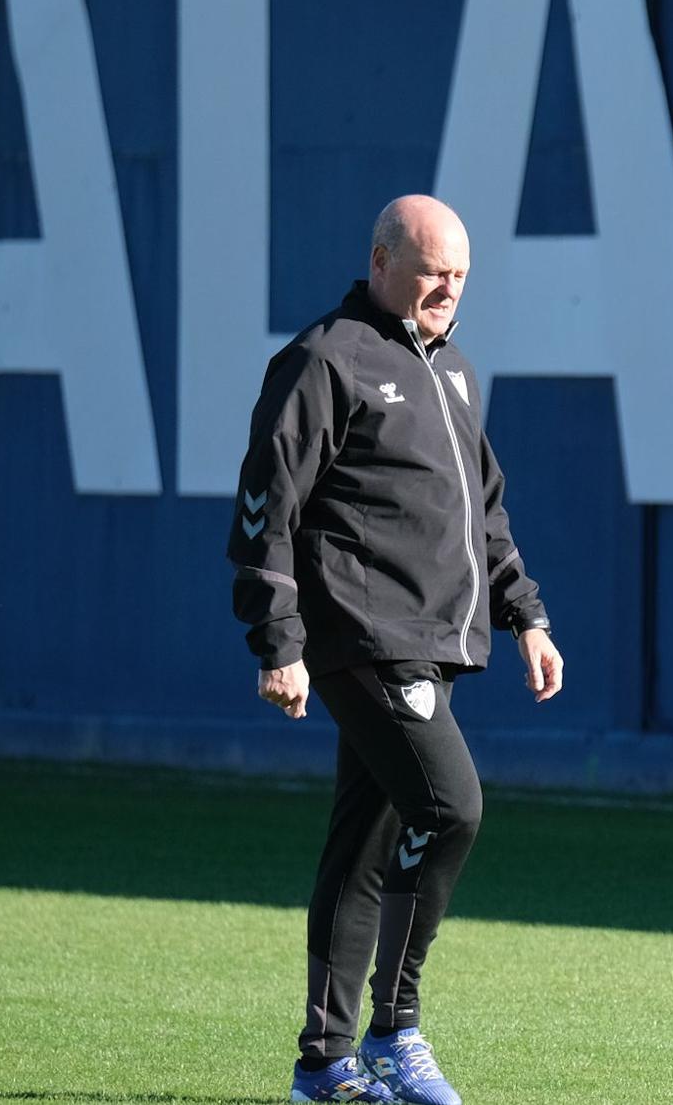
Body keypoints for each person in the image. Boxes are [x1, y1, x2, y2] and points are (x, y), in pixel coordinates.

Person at [229, 194, 565, 1105]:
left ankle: (323, 1064)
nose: (449, 289)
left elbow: (482, 512)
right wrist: (278, 640)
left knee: (364, 845)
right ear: (380, 261)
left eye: (460, 275)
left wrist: (526, 616)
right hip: (363, 635)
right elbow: (264, 512)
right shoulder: (324, 358)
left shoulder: (451, 369)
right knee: (450, 807)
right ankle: (394, 1029)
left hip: (433, 642)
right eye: (431, 272)